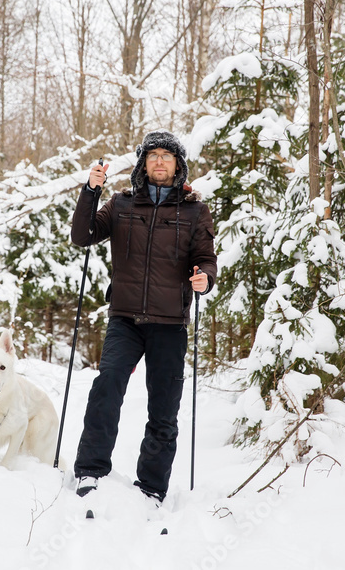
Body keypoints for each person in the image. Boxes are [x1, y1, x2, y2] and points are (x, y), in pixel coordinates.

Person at [70, 131, 218, 503]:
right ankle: (90, 470)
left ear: (178, 165)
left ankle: (151, 487)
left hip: (170, 324)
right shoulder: (121, 205)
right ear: (142, 164)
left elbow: (206, 257)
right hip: (125, 319)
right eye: (152, 155)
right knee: (107, 387)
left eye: (166, 156)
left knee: (164, 408)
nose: (159, 161)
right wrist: (91, 191)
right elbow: (82, 235)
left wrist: (205, 278)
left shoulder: (194, 211)